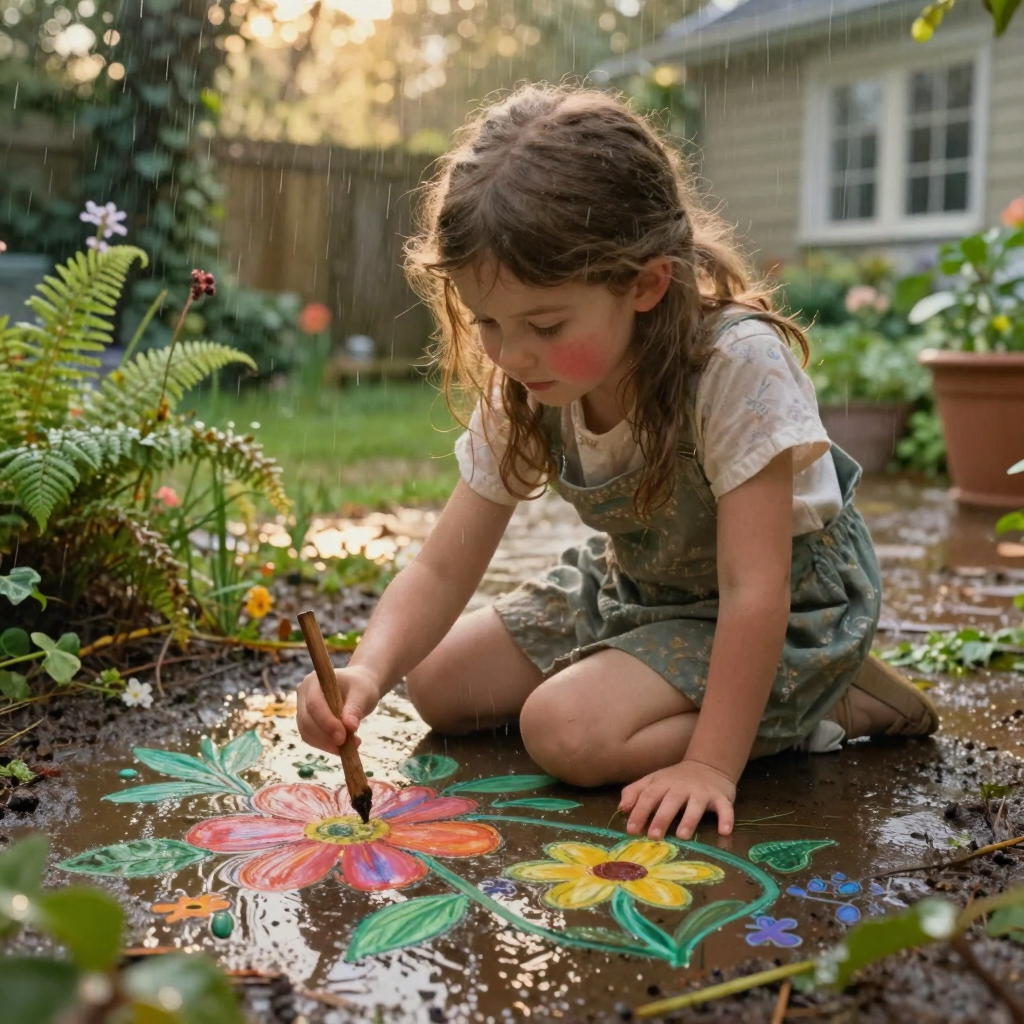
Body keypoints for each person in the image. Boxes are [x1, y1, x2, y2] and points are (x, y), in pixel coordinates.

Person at [296, 84, 938, 841]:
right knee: (436, 682)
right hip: (638, 588)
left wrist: (710, 765)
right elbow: (441, 568)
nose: (511, 353)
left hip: (782, 609)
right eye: (488, 322)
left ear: (645, 284)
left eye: (544, 324)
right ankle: (674, 687)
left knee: (564, 730)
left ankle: (827, 700)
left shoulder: (735, 368)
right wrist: (365, 673)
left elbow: (754, 590)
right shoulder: (532, 380)